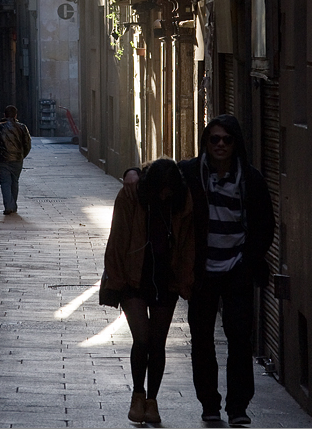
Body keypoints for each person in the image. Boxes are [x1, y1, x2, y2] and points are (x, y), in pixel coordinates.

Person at [123, 115, 275, 427]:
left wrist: (249, 261)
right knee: (202, 340)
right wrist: (132, 173)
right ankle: (209, 405)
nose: (220, 144)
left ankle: (237, 408)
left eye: (226, 140)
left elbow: (264, 225)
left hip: (237, 270)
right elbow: (157, 176)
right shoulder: (189, 172)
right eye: (214, 139)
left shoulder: (251, 179)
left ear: (235, 144)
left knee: (239, 338)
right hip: (201, 272)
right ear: (205, 142)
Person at [103, 158, 195, 425]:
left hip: (166, 280)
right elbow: (117, 239)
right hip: (134, 278)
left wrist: (185, 279)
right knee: (141, 339)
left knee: (157, 343)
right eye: (161, 188)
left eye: (170, 189)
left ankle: (152, 401)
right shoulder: (131, 196)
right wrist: (116, 282)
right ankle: (137, 394)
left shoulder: (182, 201)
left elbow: (188, 244)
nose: (166, 194)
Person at [0, 105, 31, 215]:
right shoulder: (22, 127)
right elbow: (27, 144)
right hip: (17, 159)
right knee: (14, 182)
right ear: (15, 115)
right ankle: (13, 205)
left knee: (5, 182)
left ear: (4, 115)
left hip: (2, 159)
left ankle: (9, 206)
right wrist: (21, 155)